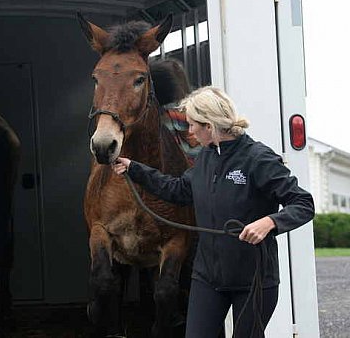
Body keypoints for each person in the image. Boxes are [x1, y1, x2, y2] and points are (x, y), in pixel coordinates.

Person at [112, 86, 315, 338]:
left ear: (209, 125)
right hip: (208, 277)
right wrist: (135, 169)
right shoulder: (206, 158)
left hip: (254, 281)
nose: (190, 131)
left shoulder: (258, 159)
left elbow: (303, 203)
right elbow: (178, 190)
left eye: (193, 124)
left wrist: (270, 223)